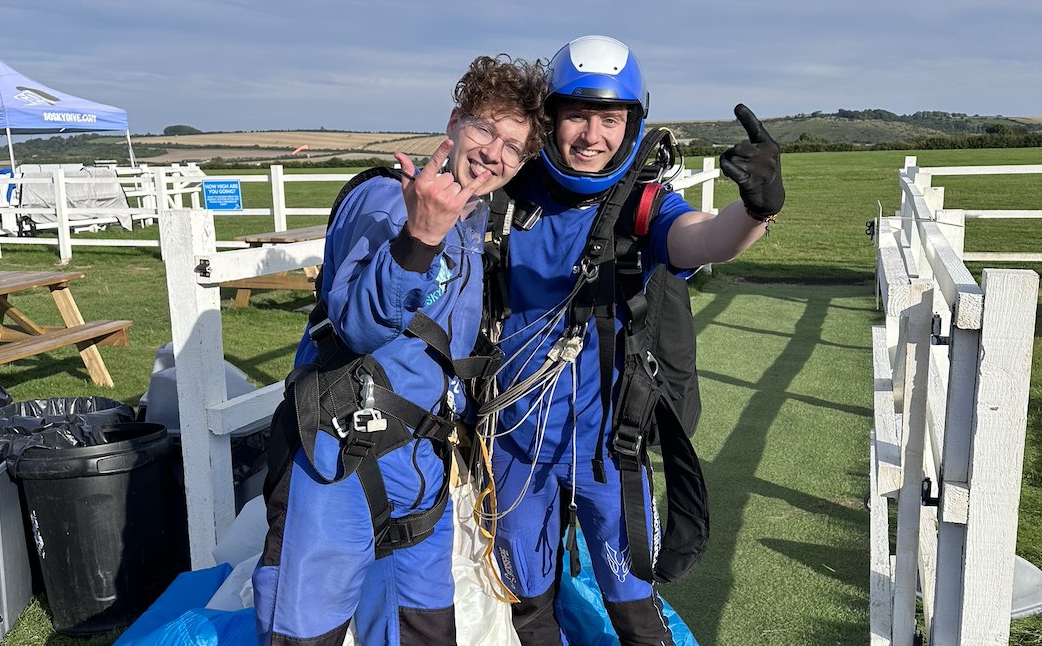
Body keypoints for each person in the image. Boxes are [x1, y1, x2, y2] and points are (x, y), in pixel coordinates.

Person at [478, 35, 784, 644]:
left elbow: (701, 238)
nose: (593, 136)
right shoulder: (508, 196)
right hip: (513, 450)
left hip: (605, 452)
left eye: (611, 119)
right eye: (577, 115)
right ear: (551, 119)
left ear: (633, 122)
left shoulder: (641, 206)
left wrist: (754, 212)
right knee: (529, 608)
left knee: (634, 611)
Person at [252, 54, 549, 646]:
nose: (495, 152)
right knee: (304, 631)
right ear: (454, 120)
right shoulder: (388, 202)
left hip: (421, 466)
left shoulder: (469, 229)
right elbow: (358, 326)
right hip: (336, 459)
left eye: (513, 146)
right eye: (486, 129)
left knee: (420, 629)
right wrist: (418, 240)